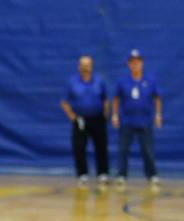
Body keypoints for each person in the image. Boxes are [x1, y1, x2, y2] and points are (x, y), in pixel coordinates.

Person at [112, 49, 162, 190]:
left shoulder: (150, 79)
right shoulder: (123, 81)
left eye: (138, 62)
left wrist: (158, 115)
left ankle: (152, 175)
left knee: (148, 150)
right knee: (123, 149)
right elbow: (116, 98)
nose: (135, 65)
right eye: (132, 62)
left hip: (145, 121)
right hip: (127, 121)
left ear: (142, 63)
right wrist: (115, 115)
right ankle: (121, 175)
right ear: (129, 64)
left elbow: (157, 98)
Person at [60, 55, 109, 188]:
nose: (85, 67)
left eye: (88, 65)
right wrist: (72, 117)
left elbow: (105, 99)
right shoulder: (72, 82)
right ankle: (82, 174)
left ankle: (103, 173)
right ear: (79, 66)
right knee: (79, 147)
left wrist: (105, 114)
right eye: (83, 65)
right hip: (80, 119)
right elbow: (64, 102)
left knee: (101, 147)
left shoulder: (99, 81)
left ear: (91, 66)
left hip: (98, 118)